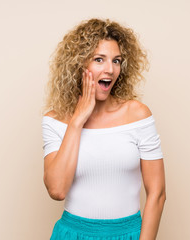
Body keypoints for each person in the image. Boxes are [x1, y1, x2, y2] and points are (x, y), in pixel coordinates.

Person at [42, 18, 166, 240]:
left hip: (128, 234)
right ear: (79, 65)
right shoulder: (55, 120)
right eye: (99, 59)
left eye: (116, 61)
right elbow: (57, 190)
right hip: (72, 234)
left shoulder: (138, 115)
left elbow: (157, 194)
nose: (110, 69)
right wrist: (78, 120)